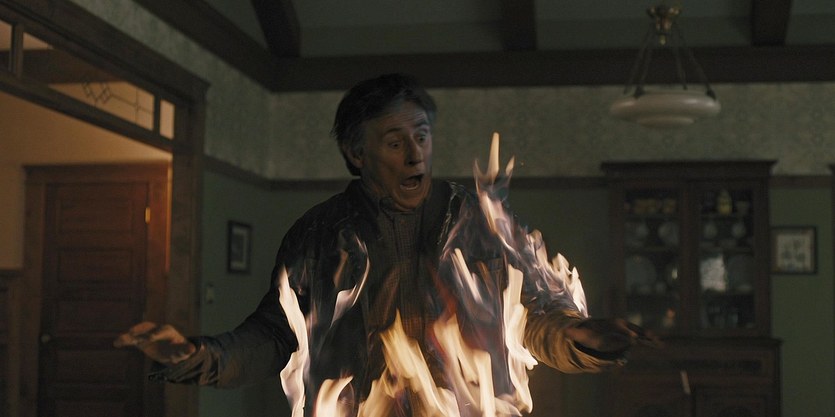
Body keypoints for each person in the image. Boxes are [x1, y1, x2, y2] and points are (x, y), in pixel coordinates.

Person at [115, 73, 657, 417]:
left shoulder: (478, 221)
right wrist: (199, 357)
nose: (415, 154)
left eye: (421, 136)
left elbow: (529, 323)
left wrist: (580, 339)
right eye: (395, 142)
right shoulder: (317, 234)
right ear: (358, 154)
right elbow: (275, 337)